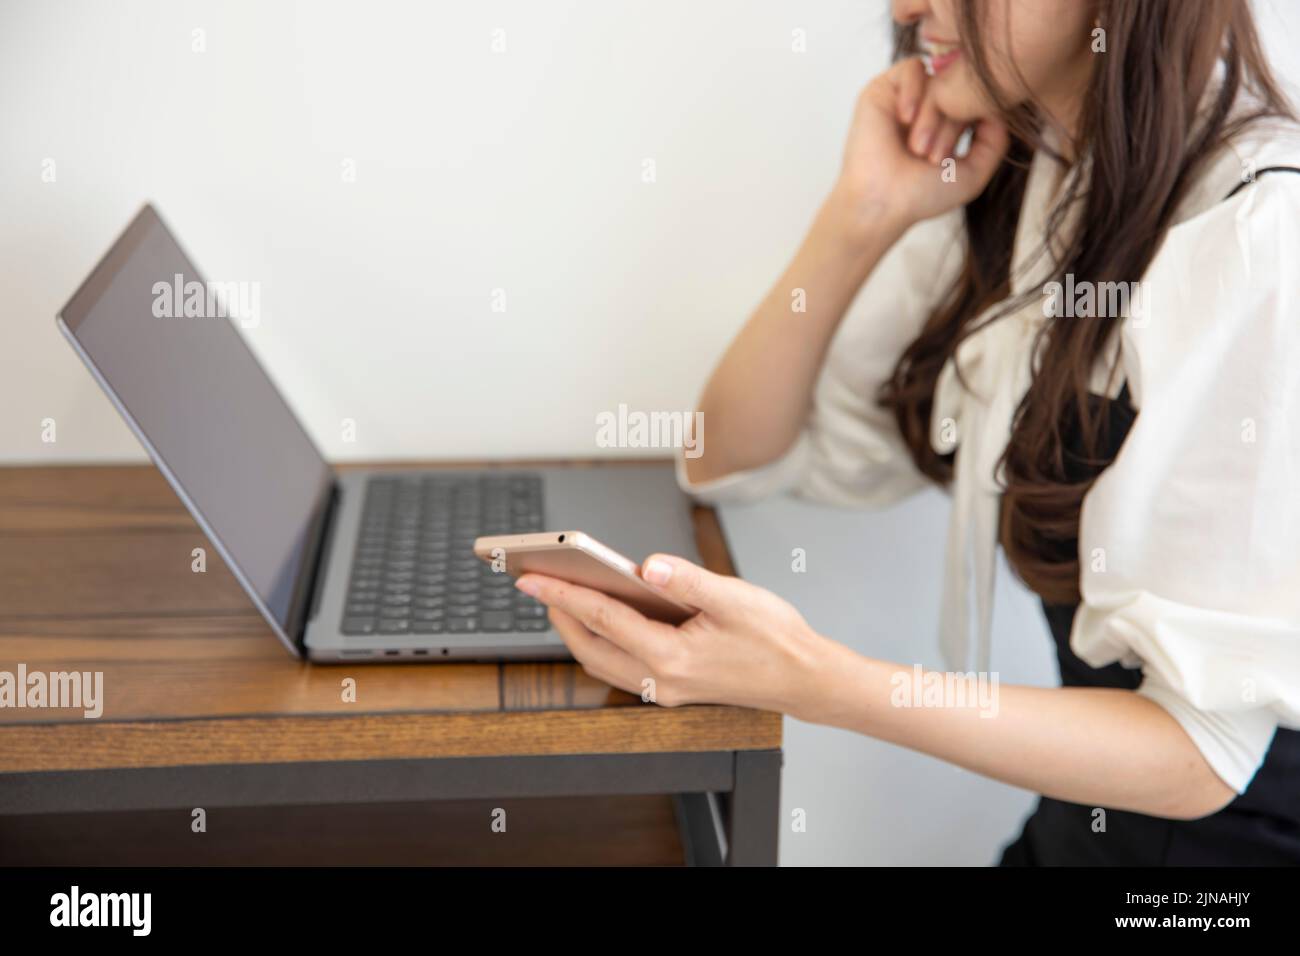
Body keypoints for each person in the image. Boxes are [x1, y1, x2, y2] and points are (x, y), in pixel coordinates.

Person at [514, 0, 1300, 864]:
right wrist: (862, 212)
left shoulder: (1258, 238)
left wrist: (815, 681)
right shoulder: (1031, 183)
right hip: (1085, 835)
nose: (902, 8)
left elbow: (1202, 755)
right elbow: (728, 457)